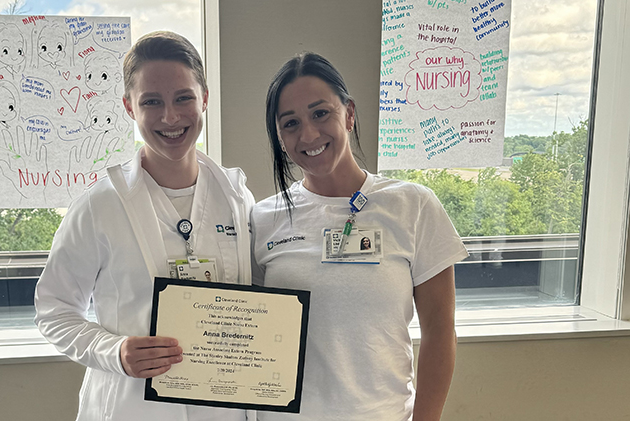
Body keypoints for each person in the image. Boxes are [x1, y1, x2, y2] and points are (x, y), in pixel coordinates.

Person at [35, 31, 255, 421]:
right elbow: (54, 310)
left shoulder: (237, 199)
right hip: (132, 407)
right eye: (151, 101)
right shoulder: (99, 206)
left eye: (183, 97)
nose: (170, 117)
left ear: (204, 97)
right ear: (128, 107)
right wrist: (114, 352)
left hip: (223, 407)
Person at [251, 52, 469, 421]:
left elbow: (439, 331)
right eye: (290, 123)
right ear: (279, 135)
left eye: (321, 113)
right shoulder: (262, 219)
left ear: (349, 113)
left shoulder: (412, 206)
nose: (308, 134)